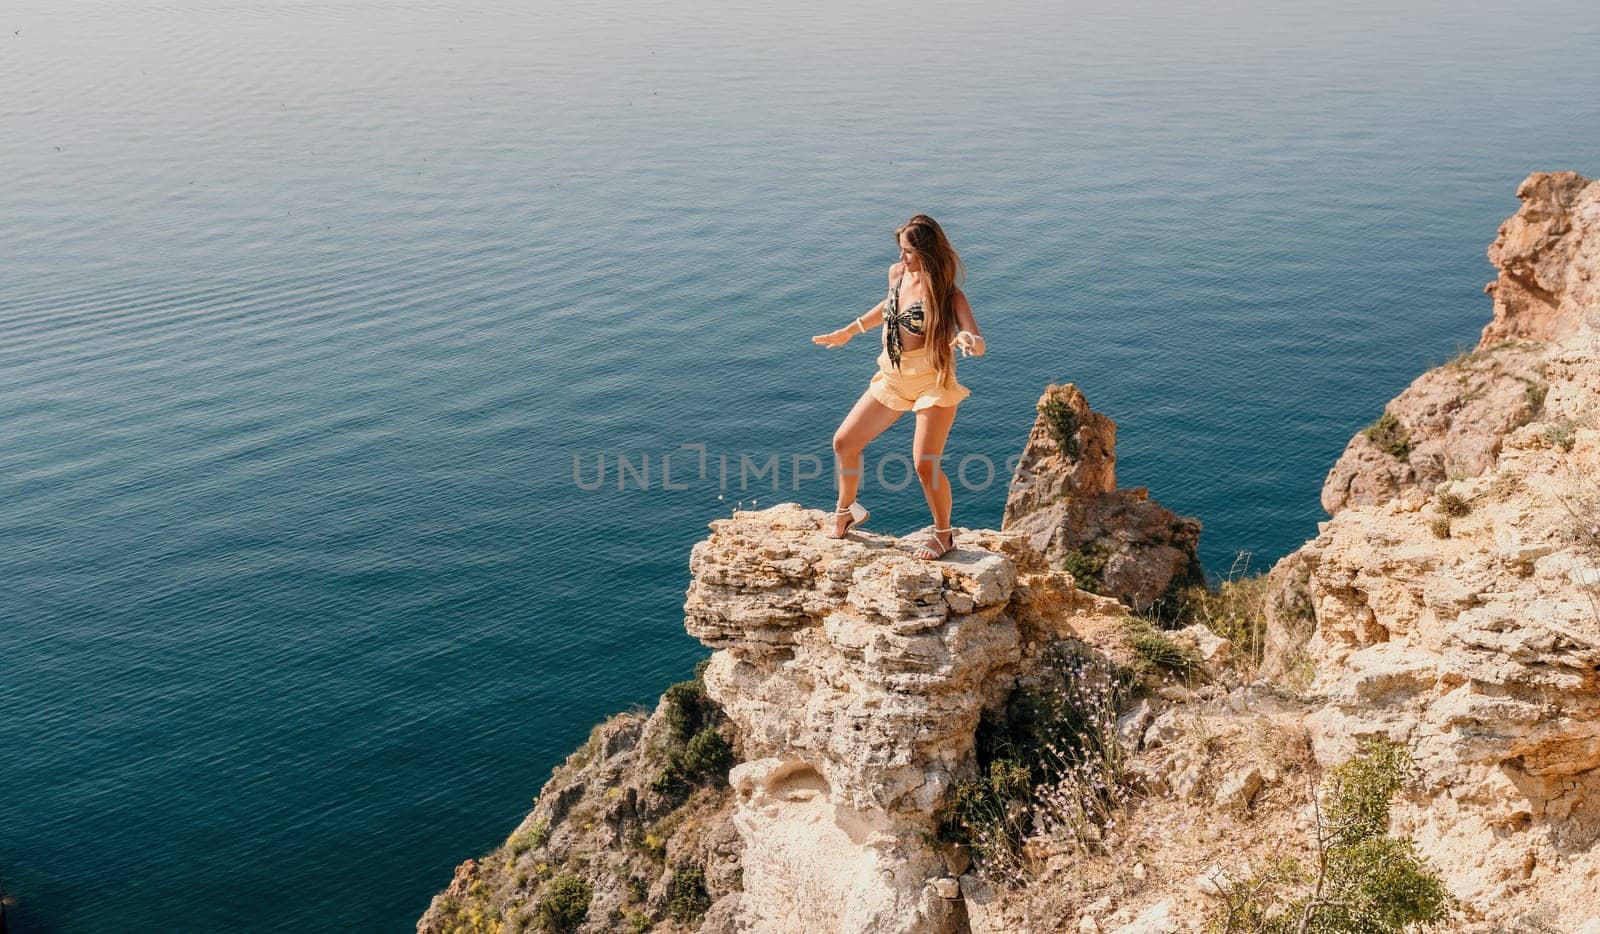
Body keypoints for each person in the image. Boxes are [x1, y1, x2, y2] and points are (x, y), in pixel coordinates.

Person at [810, 215, 987, 560]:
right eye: (901, 250)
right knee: (844, 442)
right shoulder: (897, 273)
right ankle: (847, 511)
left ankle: (943, 535)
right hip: (893, 376)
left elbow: (979, 342)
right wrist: (850, 330)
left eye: (908, 251)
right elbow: (889, 307)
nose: (901, 257)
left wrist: (968, 339)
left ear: (927, 251)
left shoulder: (950, 295)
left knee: (924, 463)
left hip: (932, 381)